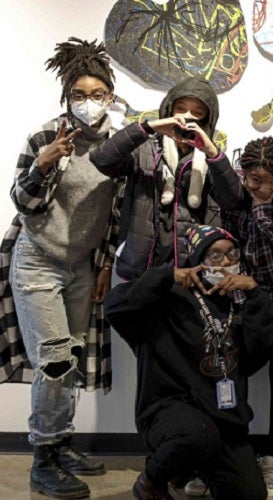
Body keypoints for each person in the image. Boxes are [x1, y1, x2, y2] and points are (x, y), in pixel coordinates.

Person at [3, 37, 122, 499]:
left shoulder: (118, 144)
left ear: (110, 95)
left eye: (97, 94)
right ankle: (43, 460)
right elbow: (24, 203)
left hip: (82, 265)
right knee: (53, 362)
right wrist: (41, 166)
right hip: (38, 260)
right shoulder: (45, 136)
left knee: (68, 359)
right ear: (65, 97)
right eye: (79, 95)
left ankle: (62, 443)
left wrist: (108, 263)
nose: (88, 103)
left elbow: (116, 211)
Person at [104, 225, 273, 500]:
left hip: (224, 420)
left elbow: (257, 355)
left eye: (232, 254)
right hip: (170, 410)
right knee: (195, 435)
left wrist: (255, 294)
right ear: (197, 261)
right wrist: (165, 276)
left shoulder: (236, 309)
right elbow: (115, 306)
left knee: (252, 494)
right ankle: (152, 481)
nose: (227, 262)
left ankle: (194, 469)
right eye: (216, 256)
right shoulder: (167, 302)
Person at [90, 76, 243, 281]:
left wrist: (213, 153)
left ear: (207, 118)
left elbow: (233, 200)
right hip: (142, 268)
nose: (187, 116)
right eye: (181, 108)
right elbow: (102, 160)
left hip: (192, 270)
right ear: (169, 109)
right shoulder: (145, 148)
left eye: (197, 112)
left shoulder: (212, 158)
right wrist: (147, 128)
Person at [221, 137, 273, 499]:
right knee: (229, 373)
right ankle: (224, 456)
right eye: (256, 180)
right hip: (245, 297)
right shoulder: (235, 202)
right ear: (244, 175)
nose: (265, 188)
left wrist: (262, 210)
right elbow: (228, 247)